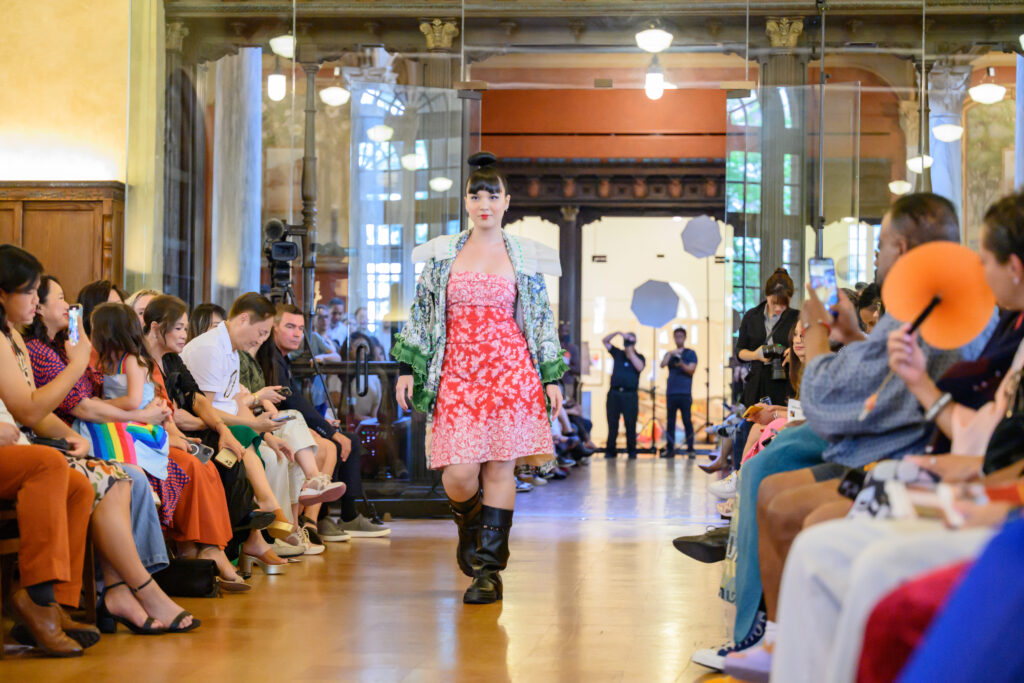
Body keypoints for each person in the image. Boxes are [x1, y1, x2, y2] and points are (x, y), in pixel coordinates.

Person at [392, 151, 566, 605]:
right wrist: (408, 368)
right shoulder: (442, 253)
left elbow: (541, 319)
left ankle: (489, 570)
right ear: (466, 202)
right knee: (459, 473)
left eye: (492, 195)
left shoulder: (524, 256)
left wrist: (551, 378)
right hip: (457, 372)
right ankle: (469, 524)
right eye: (476, 195)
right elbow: (423, 312)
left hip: (510, 371)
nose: (484, 203)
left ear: (507, 201)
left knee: (500, 468)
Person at [0, 246, 198, 636]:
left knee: (113, 478)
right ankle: (130, 589)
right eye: (34, 292)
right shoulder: (38, 347)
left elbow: (35, 411)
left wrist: (72, 435)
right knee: (95, 472)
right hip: (28, 441)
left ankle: (73, 600)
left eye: (42, 292)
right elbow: (35, 409)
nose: (41, 301)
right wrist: (79, 363)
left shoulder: (19, 341)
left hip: (34, 436)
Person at [257, 303, 386, 540]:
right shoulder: (270, 357)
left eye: (300, 328)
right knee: (334, 444)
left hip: (289, 421)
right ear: (273, 328)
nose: (297, 334)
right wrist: (326, 429)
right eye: (290, 327)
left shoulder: (281, 357)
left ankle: (324, 520)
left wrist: (325, 424)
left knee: (346, 440)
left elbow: (294, 401)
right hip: (275, 425)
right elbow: (291, 401)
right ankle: (317, 521)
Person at [735, 268, 800, 408]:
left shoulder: (797, 318)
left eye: (783, 303)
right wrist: (755, 355)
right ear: (766, 295)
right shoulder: (752, 316)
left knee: (783, 420)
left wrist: (795, 354)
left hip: (786, 383)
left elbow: (811, 347)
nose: (779, 308)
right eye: (774, 302)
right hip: (757, 384)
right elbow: (739, 351)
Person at [602, 330, 645, 459]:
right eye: (626, 341)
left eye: (630, 341)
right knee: (612, 424)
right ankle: (610, 450)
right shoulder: (618, 353)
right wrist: (618, 333)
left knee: (630, 424)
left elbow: (640, 367)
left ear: (635, 342)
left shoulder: (639, 357)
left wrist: (631, 352)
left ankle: (632, 451)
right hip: (614, 393)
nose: (628, 344)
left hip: (630, 395)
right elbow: (605, 341)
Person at [660, 326, 698, 458]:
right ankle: (670, 449)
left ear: (685, 337)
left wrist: (681, 363)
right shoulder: (670, 353)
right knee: (670, 422)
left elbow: (691, 370)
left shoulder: (690, 353)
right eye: (676, 337)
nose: (678, 339)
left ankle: (690, 449)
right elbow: (662, 364)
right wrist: (671, 354)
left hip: (685, 393)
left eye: (681, 336)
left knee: (687, 421)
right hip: (671, 393)